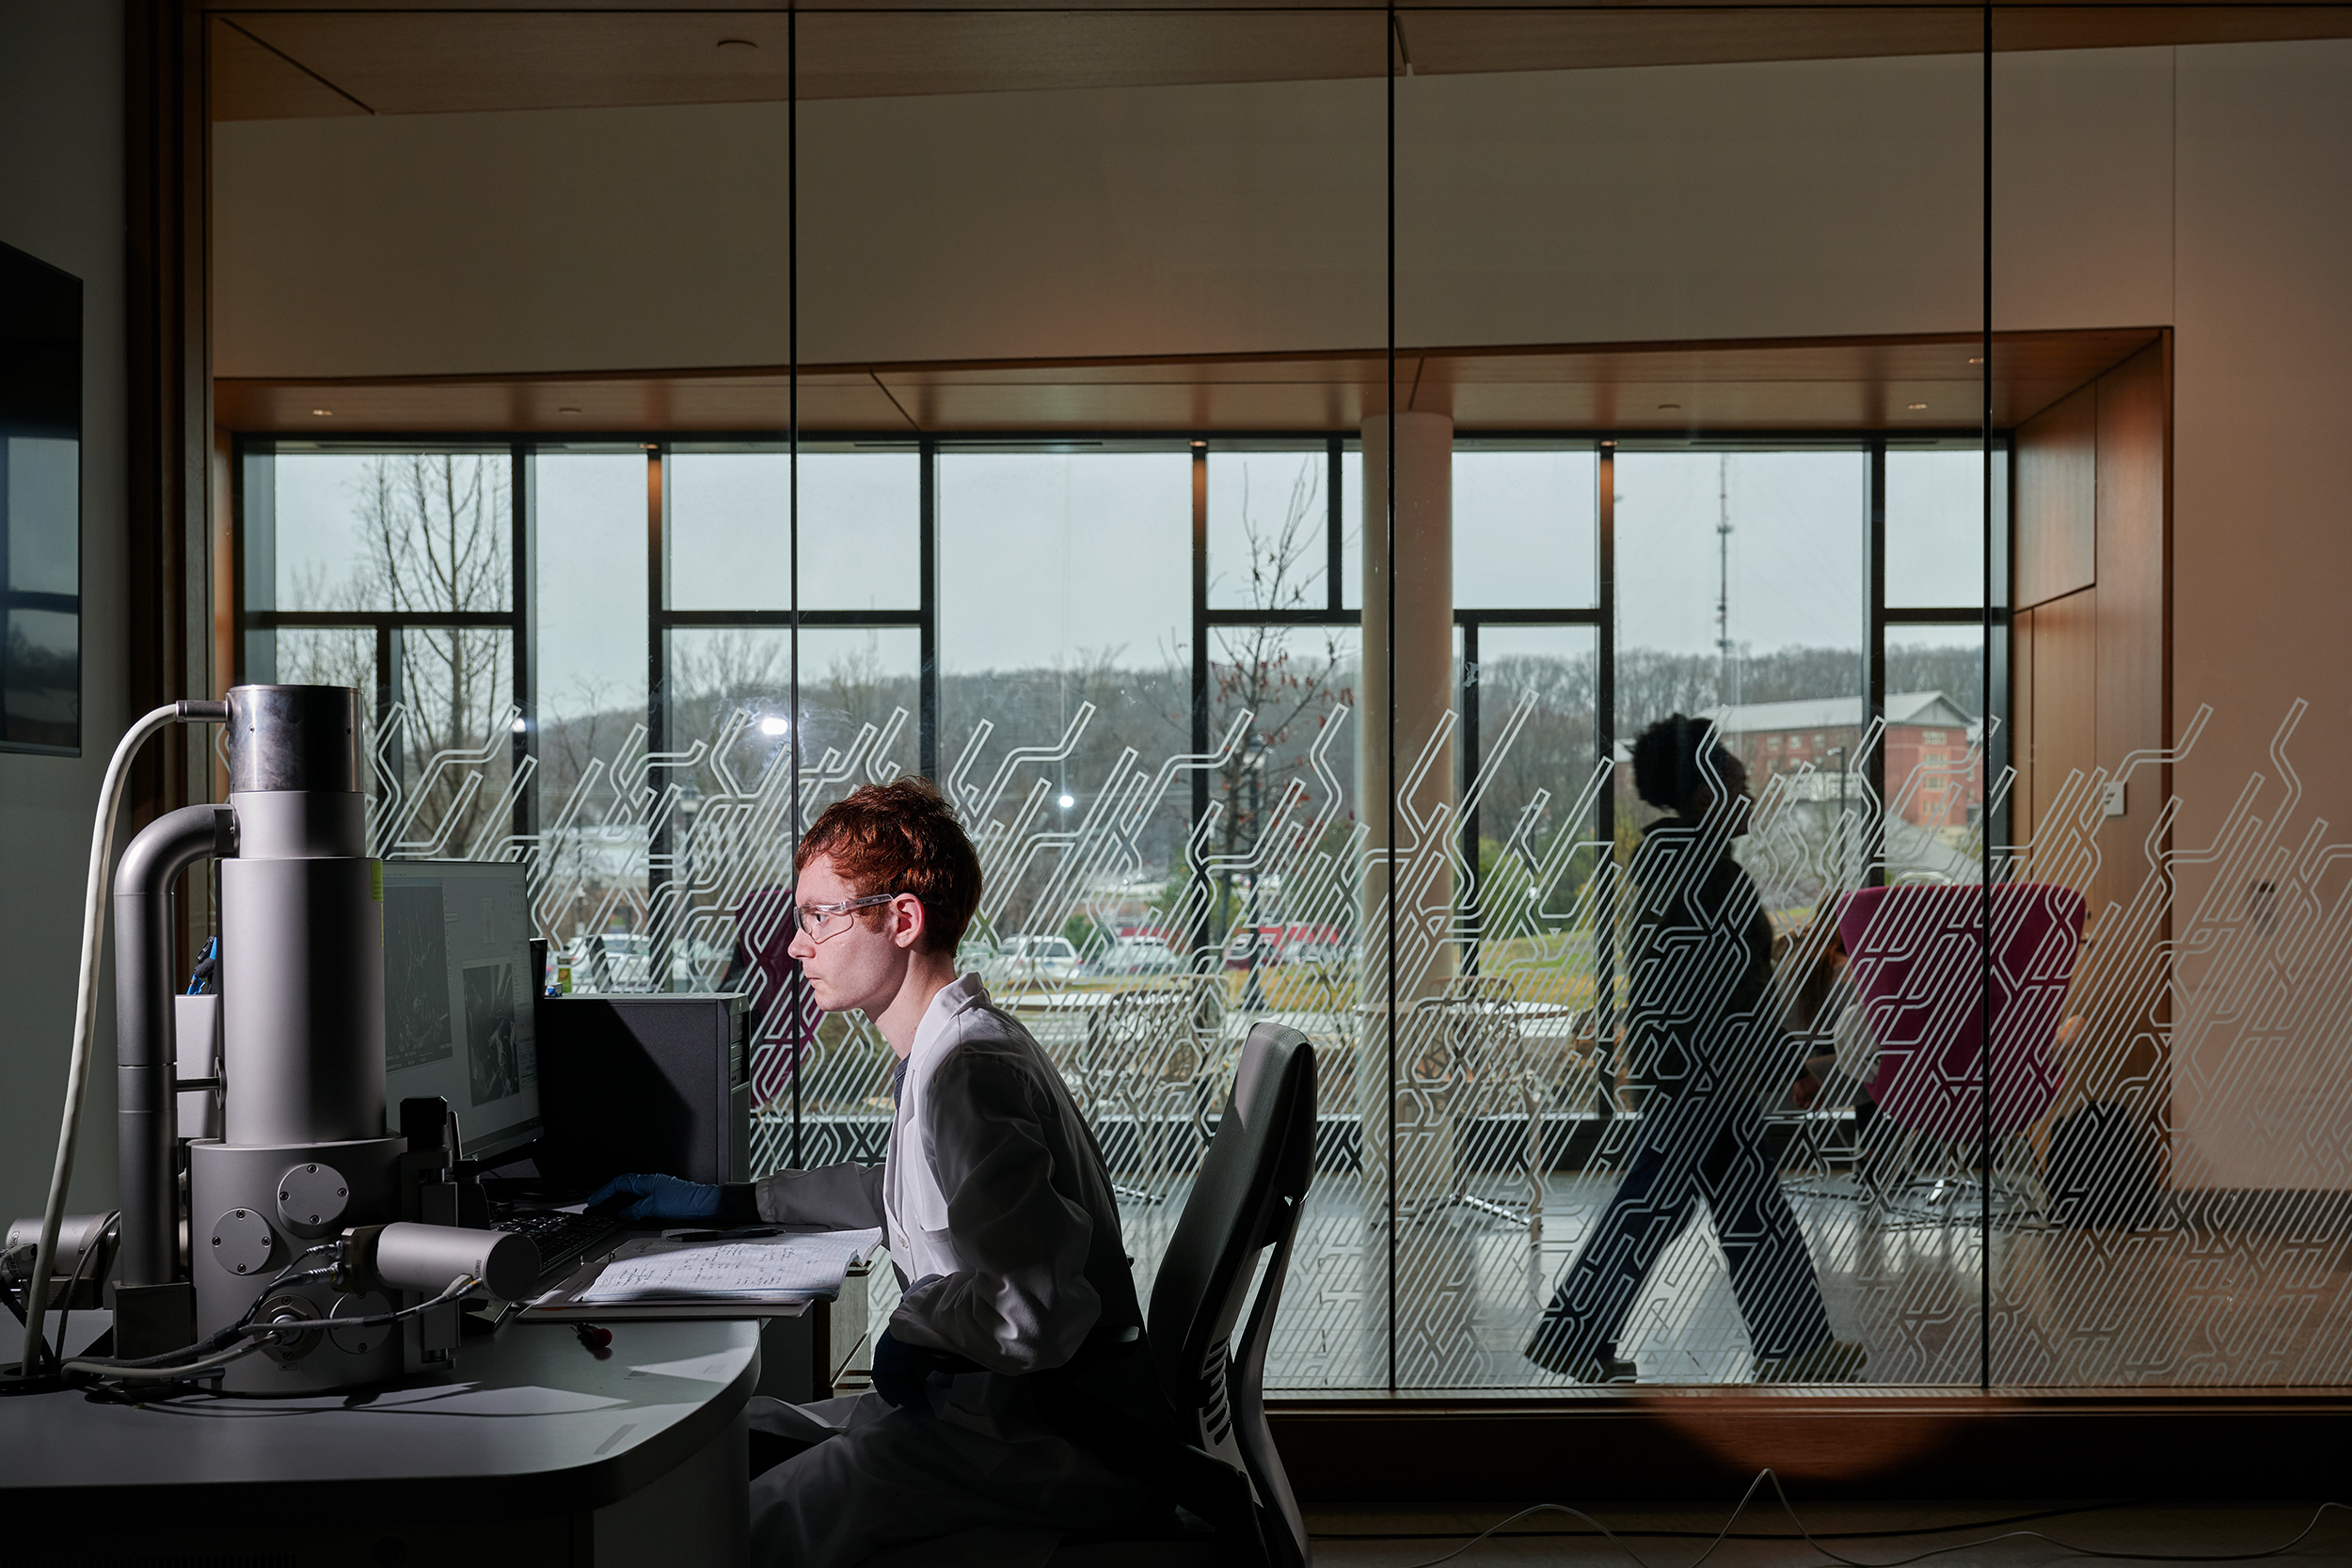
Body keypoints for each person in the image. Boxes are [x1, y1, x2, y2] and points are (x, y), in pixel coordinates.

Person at [586, 777, 1172, 1567]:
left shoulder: (968, 1070)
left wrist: (917, 1328)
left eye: (818, 918)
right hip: (990, 1416)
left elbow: (1036, 1305)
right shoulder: (953, 1046)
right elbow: (895, 1189)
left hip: (1038, 1441)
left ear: (901, 919)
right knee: (747, 1432)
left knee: (719, 1532)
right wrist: (732, 1201)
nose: (796, 945)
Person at [1523, 715, 1866, 1386]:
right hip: (1705, 1079)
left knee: (1733, 1206)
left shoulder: (1671, 867)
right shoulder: (1711, 880)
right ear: (1709, 793)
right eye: (1740, 780)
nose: (1751, 791)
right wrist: (1784, 1064)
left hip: (1688, 1071)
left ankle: (1792, 1346)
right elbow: (1735, 994)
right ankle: (1577, 1332)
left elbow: (1709, 989)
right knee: (1665, 1207)